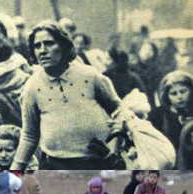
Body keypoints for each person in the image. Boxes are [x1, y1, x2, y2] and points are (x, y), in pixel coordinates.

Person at [11, 21, 122, 170]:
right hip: (54, 165)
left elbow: (120, 112)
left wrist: (113, 151)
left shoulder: (90, 76)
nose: (42, 50)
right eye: (37, 46)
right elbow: (29, 135)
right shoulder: (31, 86)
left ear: (63, 46)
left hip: (96, 162)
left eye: (49, 43)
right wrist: (14, 171)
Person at [148, 71, 193, 152]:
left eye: (183, 91)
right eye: (173, 93)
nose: (179, 97)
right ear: (166, 96)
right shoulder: (158, 115)